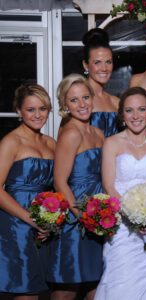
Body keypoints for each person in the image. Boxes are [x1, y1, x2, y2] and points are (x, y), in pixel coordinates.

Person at [94, 87, 146, 300]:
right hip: (121, 228)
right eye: (129, 110)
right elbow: (109, 186)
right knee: (121, 282)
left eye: (141, 109)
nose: (136, 116)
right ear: (122, 115)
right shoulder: (112, 143)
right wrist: (135, 219)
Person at [47, 74, 105, 300]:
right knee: (68, 284)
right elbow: (59, 181)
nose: (82, 104)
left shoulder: (98, 133)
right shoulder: (71, 133)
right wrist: (82, 216)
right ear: (64, 105)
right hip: (75, 219)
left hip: (97, 214)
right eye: (74, 100)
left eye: (85, 97)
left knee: (94, 283)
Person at [0, 84, 55, 298]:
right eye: (30, 110)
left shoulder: (51, 143)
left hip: (42, 227)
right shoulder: (11, 142)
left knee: (41, 291)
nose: (37, 115)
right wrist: (30, 219)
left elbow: (56, 188)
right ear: (19, 111)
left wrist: (49, 221)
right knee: (25, 291)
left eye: (42, 109)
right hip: (15, 226)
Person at [82, 27, 120, 137]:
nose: (104, 68)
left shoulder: (116, 102)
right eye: (97, 62)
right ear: (86, 65)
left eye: (108, 62)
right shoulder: (77, 101)